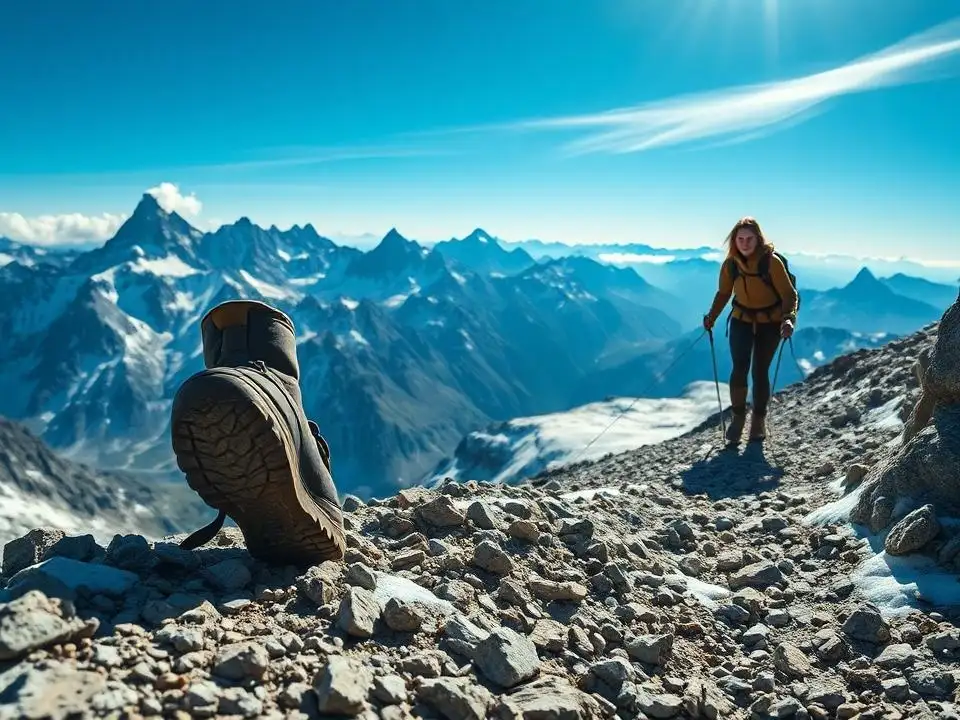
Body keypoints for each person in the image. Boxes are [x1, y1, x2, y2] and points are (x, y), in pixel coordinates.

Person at [702, 216, 797, 445]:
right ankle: (738, 419)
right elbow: (724, 293)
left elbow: (788, 294)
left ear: (758, 239)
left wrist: (788, 318)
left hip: (771, 323)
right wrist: (712, 317)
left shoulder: (771, 262)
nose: (745, 243)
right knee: (739, 368)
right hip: (741, 320)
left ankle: (758, 421)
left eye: (749, 239)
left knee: (759, 371)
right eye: (740, 239)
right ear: (734, 241)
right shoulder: (731, 264)